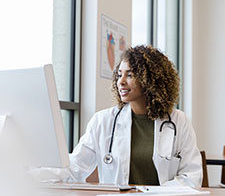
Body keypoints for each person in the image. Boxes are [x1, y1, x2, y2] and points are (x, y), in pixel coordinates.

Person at [33, 45, 202, 187]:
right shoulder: (103, 121)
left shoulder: (178, 121)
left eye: (130, 75)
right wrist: (32, 174)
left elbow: (191, 176)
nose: (121, 81)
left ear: (150, 80)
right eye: (119, 74)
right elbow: (74, 167)